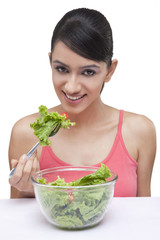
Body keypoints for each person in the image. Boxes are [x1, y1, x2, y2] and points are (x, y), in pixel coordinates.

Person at [8, 8, 156, 198]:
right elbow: (15, 222)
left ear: (110, 71)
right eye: (62, 69)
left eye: (88, 72)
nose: (71, 87)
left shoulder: (139, 132)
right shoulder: (27, 133)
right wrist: (30, 190)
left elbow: (146, 216)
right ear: (50, 62)